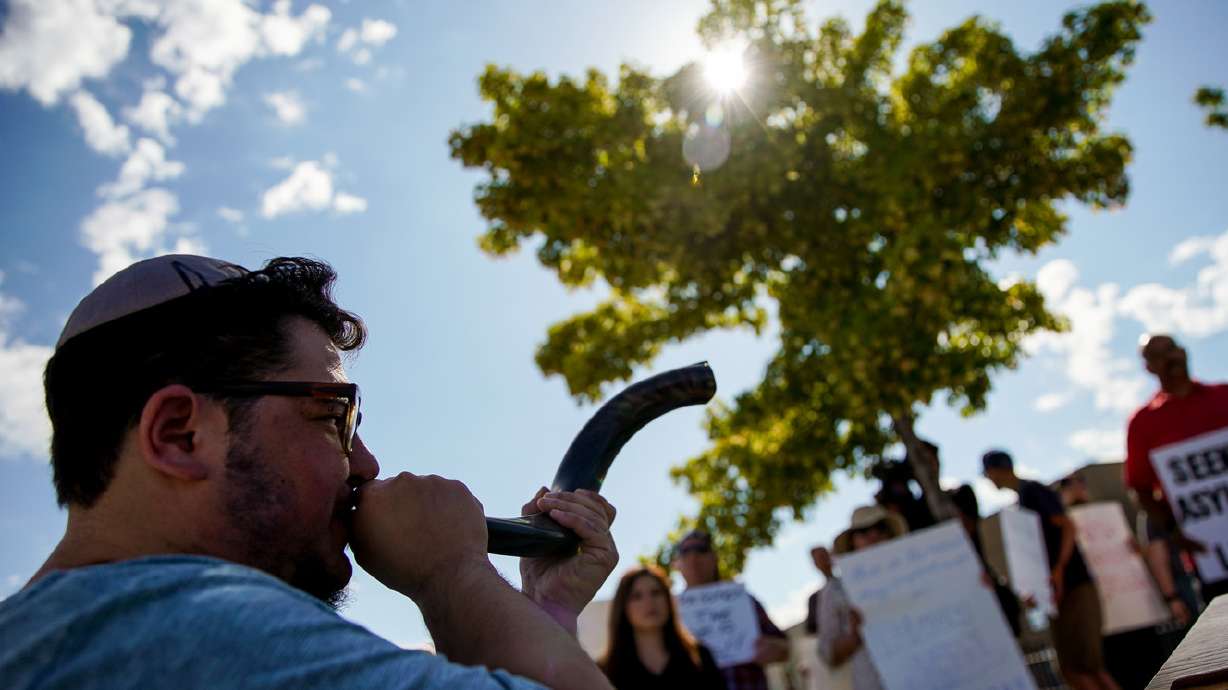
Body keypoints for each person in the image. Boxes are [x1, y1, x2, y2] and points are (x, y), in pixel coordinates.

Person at [0, 255, 620, 689]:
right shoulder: (197, 631)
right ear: (179, 435)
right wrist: (451, 574)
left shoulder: (52, 637)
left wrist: (543, 615)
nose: (366, 463)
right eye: (333, 415)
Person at [983, 450, 1120, 690]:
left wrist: (1059, 569)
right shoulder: (1021, 500)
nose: (988, 478)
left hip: (1074, 585)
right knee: (1070, 668)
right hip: (1057, 594)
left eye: (988, 472)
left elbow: (1067, 526)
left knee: (1085, 667)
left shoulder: (1032, 491)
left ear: (996, 469)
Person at [1124, 333, 1228, 603]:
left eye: (1172, 349)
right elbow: (1141, 488)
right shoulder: (1143, 423)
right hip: (1211, 557)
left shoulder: (1223, 395)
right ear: (1148, 367)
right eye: (1158, 355)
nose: (1170, 358)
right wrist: (1173, 531)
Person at [673, 529, 790, 690]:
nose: (693, 557)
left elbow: (785, 647)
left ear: (714, 558)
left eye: (701, 550)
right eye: (685, 552)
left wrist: (775, 649)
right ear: (677, 564)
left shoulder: (742, 600)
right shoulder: (668, 611)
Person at [818, 505, 906, 690]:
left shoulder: (918, 573)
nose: (873, 535)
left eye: (880, 528)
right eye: (863, 531)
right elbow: (828, 654)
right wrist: (855, 636)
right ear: (853, 542)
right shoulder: (834, 591)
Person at [599, 565, 725, 689]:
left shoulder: (700, 657)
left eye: (656, 593)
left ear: (668, 600)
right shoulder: (605, 671)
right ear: (623, 607)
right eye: (636, 596)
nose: (649, 602)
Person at [803, 546, 833, 636]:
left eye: (825, 555)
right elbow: (812, 630)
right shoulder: (815, 599)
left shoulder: (849, 584)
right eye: (820, 558)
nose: (825, 560)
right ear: (815, 564)